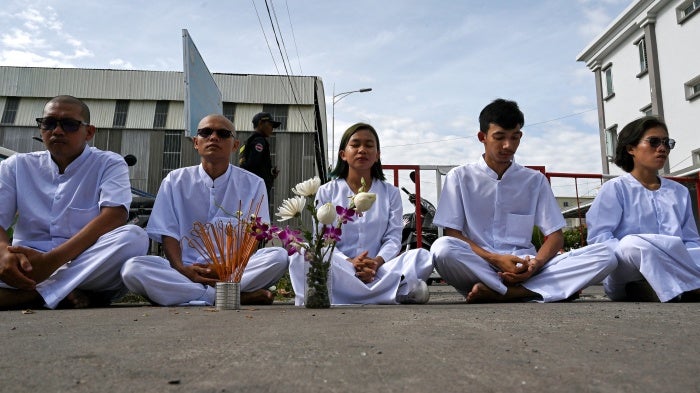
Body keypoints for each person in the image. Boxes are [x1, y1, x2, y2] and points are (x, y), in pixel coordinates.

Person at [430, 98, 616, 303]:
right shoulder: (459, 177)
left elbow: (555, 237)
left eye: (515, 137)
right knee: (442, 249)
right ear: (482, 137)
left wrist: (537, 264)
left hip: (525, 266)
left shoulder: (534, 180)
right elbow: (453, 234)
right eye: (499, 137)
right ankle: (534, 291)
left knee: (606, 255)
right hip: (480, 264)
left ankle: (506, 293)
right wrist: (495, 259)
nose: (508, 145)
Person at [121, 114, 288, 306]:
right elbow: (167, 234)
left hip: (233, 272)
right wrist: (182, 268)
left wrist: (225, 268)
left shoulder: (253, 184)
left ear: (235, 145)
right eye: (206, 132)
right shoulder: (174, 181)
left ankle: (197, 295)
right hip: (184, 272)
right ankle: (227, 296)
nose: (214, 137)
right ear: (196, 142)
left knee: (278, 257)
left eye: (223, 133)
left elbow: (253, 238)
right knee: (133, 269)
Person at [0, 95, 149, 310]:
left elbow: (115, 216)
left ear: (89, 132)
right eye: (49, 123)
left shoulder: (108, 163)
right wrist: (4, 254)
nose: (57, 131)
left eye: (69, 124)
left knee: (133, 237)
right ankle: (63, 292)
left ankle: (34, 295)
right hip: (27, 264)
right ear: (41, 128)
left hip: (87, 263)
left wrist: (51, 262)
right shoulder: (16, 166)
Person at [289, 123, 433, 305]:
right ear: (343, 154)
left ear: (377, 155)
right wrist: (350, 262)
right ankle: (394, 292)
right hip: (341, 269)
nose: (362, 150)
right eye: (355, 145)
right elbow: (322, 240)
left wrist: (375, 263)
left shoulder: (391, 193)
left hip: (378, 270)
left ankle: (352, 295)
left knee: (422, 256)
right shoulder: (327, 191)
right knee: (301, 255)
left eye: (369, 145)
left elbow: (393, 238)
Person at [586, 116, 700, 302]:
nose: (662, 148)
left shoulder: (679, 192)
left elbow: (691, 240)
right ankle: (685, 287)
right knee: (633, 244)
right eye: (654, 142)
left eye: (667, 143)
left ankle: (663, 288)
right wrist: (654, 251)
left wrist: (672, 254)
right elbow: (600, 239)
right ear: (631, 148)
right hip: (628, 270)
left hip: (676, 262)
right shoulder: (615, 188)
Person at [239, 112, 280, 197]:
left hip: (249, 189)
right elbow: (252, 166)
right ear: (260, 123)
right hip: (257, 190)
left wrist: (270, 173)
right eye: (270, 125)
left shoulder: (248, 141)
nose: (272, 129)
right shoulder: (259, 141)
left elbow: (251, 165)